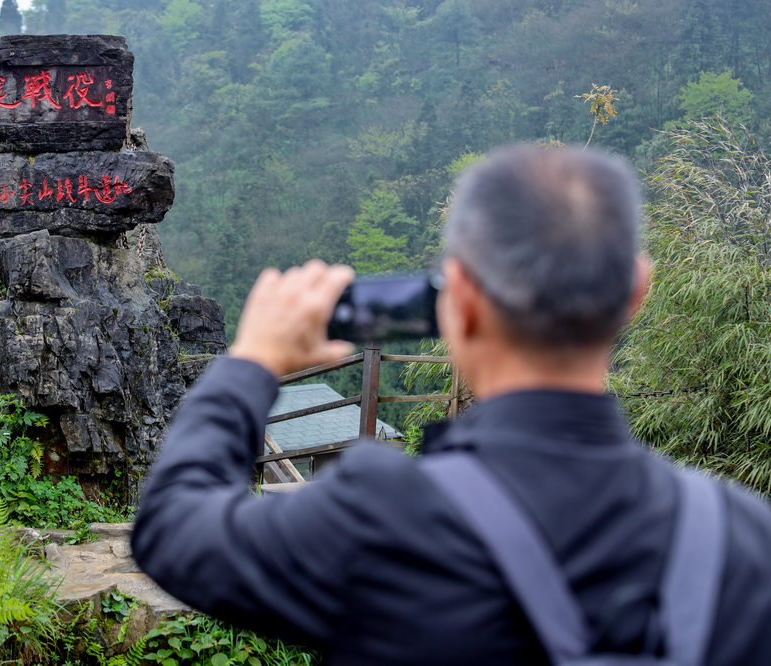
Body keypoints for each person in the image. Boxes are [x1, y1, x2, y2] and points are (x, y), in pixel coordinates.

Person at [131, 146, 771, 664]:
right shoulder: (747, 541)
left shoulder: (381, 517)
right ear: (636, 290)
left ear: (458, 295)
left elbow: (172, 528)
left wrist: (252, 363)